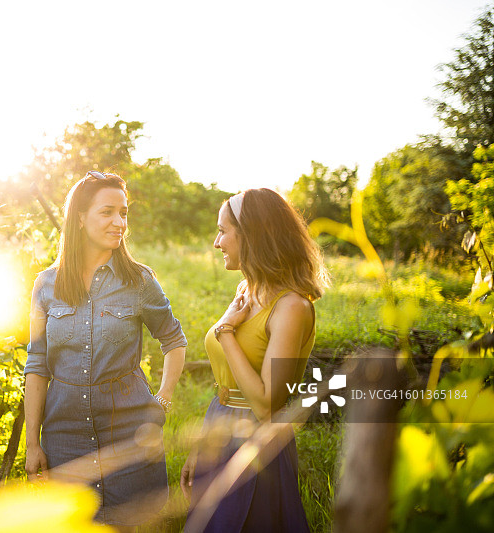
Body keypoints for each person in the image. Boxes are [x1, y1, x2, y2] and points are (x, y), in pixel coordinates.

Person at [24, 170, 187, 528]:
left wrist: (162, 399)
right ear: (80, 218)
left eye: (124, 213)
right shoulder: (46, 284)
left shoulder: (140, 280)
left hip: (130, 433)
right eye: (107, 212)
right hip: (64, 436)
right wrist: (32, 442)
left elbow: (173, 340)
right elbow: (36, 365)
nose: (119, 222)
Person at [180, 188, 328, 533]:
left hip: (256, 444)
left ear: (251, 236)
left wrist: (226, 334)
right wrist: (201, 448)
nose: (217, 242)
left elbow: (265, 404)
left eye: (222, 231)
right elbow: (227, 387)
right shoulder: (247, 289)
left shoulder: (292, 307)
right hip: (220, 426)